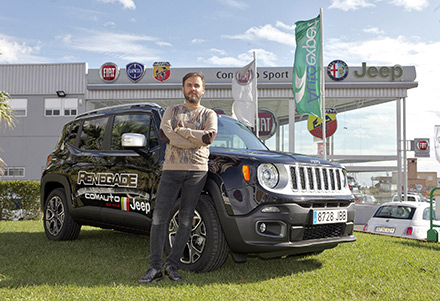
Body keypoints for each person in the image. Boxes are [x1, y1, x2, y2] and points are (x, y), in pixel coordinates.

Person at [139, 72, 217, 283]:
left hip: (197, 171)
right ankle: (155, 268)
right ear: (183, 89)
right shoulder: (171, 111)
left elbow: (208, 137)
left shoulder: (209, 114)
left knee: (185, 220)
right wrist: (194, 136)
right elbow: (164, 136)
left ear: (203, 90)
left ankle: (172, 266)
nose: (193, 88)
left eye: (197, 85)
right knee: (158, 218)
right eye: (189, 85)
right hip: (171, 171)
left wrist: (181, 131)